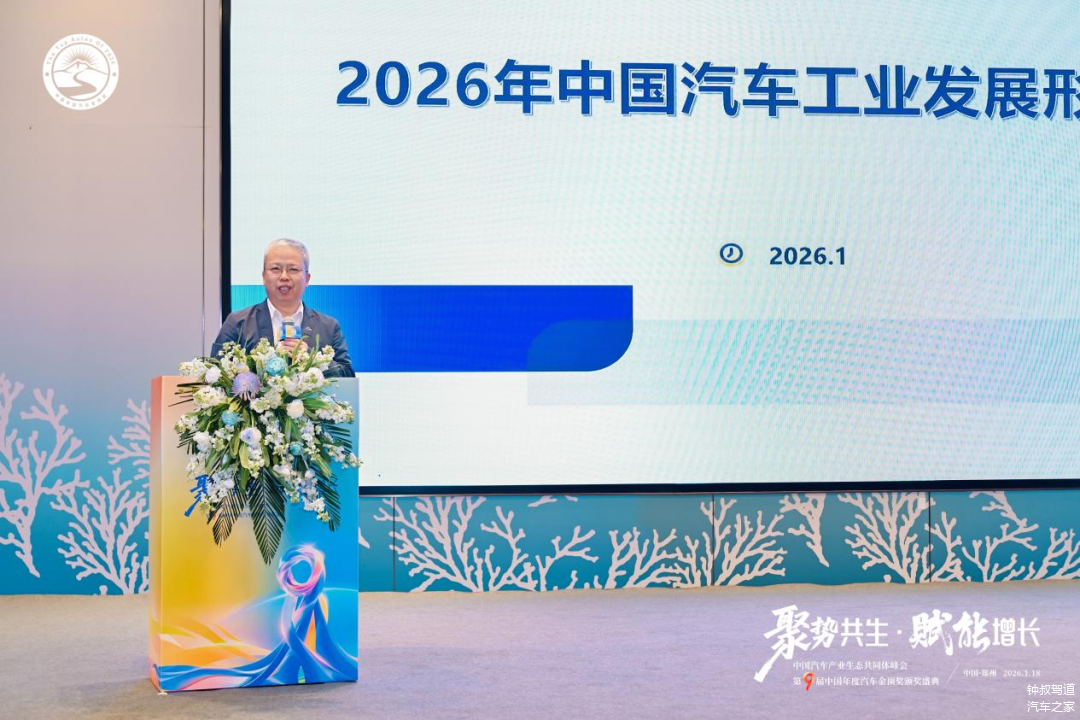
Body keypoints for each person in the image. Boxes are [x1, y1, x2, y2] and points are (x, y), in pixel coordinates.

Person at [211, 238, 354, 377]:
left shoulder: (329, 326)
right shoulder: (238, 323)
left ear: (307, 279)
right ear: (264, 277)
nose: (284, 276)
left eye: (293, 269)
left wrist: (312, 359)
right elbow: (215, 373)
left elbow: (347, 374)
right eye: (276, 269)